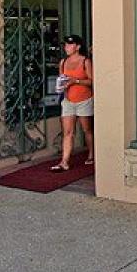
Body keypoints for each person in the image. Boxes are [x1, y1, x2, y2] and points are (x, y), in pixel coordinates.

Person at [51, 35, 94, 172]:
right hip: (68, 100)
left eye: (70, 45)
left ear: (78, 47)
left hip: (84, 100)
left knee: (86, 129)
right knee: (68, 132)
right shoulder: (63, 62)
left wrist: (75, 81)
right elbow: (61, 79)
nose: (66, 47)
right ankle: (64, 161)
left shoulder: (85, 61)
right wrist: (61, 85)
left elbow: (92, 81)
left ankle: (92, 153)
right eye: (65, 45)